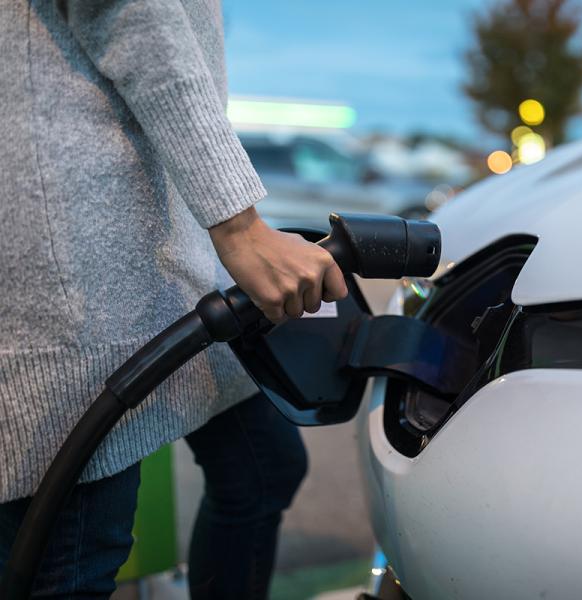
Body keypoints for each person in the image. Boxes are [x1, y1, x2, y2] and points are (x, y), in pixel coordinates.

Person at [0, 0, 348, 598]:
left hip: (173, 262)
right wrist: (239, 225)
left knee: (263, 468)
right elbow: (130, 11)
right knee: (72, 560)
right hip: (86, 270)